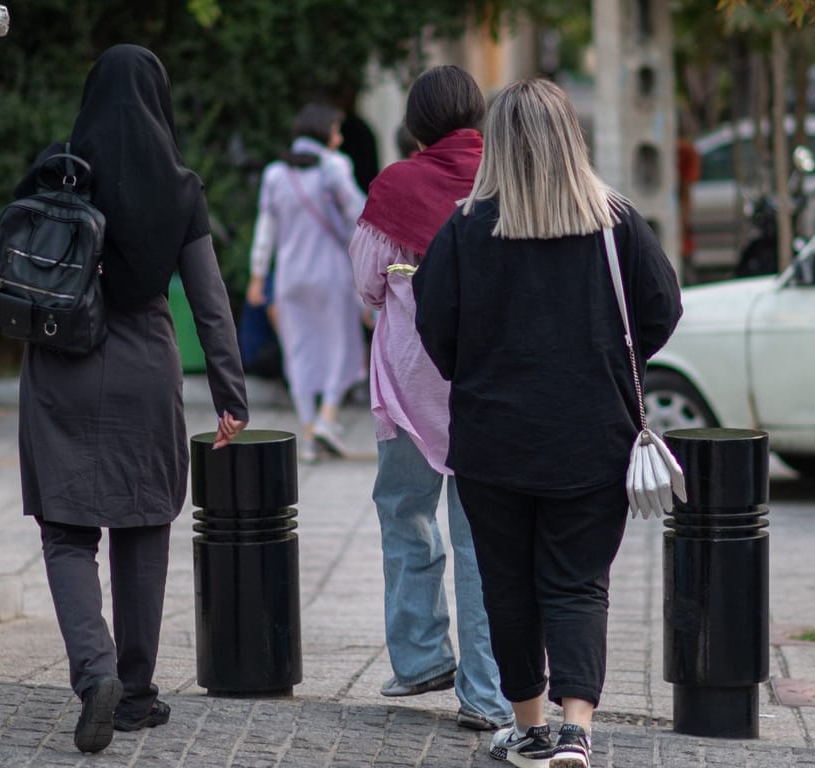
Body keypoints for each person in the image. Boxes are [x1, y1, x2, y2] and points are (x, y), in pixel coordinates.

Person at [413, 78, 683, 768]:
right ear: (573, 137)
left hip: (492, 439)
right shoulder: (615, 222)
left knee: (506, 582)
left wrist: (475, 373)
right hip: (592, 435)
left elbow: (433, 325)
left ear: (497, 142)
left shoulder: (467, 227)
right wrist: (604, 363)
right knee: (577, 581)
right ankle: (577, 729)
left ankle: (529, 727)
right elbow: (662, 308)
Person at [14, 45, 249, 755]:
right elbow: (210, 304)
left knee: (66, 531)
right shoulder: (181, 188)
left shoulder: (59, 171)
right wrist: (230, 395)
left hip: (61, 364)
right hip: (145, 368)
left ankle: (96, 678)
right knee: (144, 524)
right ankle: (137, 694)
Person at [348, 65, 513, 733]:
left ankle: (419, 659)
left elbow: (365, 286)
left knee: (406, 513)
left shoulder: (394, 186)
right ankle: (487, 693)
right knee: (484, 541)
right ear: (479, 113)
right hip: (490, 388)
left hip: (411, 385)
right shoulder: (511, 180)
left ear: (415, 124)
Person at [247, 103, 368, 463]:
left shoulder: (275, 174)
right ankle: (327, 416)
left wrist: (257, 275)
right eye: (336, 131)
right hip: (331, 273)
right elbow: (359, 217)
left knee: (297, 350)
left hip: (289, 276)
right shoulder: (335, 167)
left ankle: (309, 431)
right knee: (341, 345)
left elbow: (265, 229)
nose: (340, 138)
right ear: (323, 133)